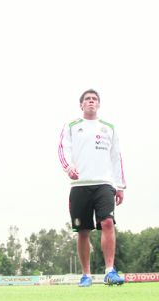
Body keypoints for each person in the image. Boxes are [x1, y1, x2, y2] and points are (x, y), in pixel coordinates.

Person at [58, 89, 127, 287]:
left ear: (99, 104)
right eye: (87, 99)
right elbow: (63, 149)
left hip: (104, 183)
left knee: (107, 223)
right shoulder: (72, 126)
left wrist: (120, 185)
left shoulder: (109, 127)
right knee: (83, 230)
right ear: (81, 105)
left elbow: (116, 157)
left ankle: (109, 271)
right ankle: (86, 275)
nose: (91, 102)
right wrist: (68, 168)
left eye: (94, 99)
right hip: (80, 185)